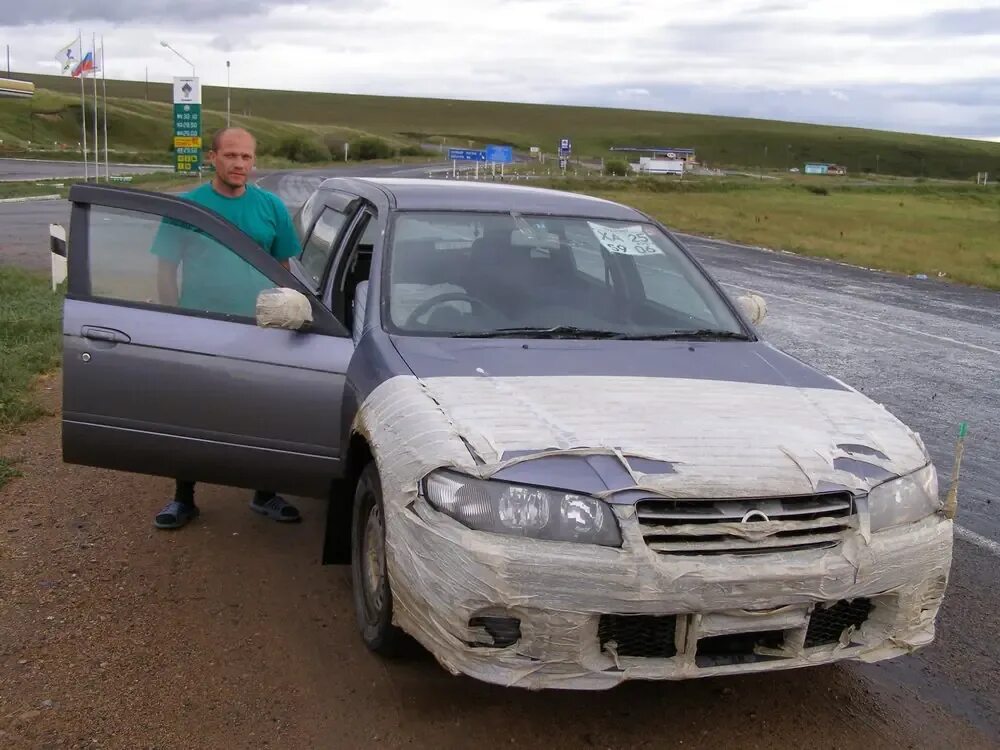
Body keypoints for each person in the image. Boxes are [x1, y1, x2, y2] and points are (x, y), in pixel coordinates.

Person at [151, 126, 302, 529]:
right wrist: (173, 325)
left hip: (259, 328)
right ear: (213, 157)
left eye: (247, 157)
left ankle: (265, 493)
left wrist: (286, 320)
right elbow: (166, 269)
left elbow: (283, 272)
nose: (240, 164)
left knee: (263, 411)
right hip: (201, 327)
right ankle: (183, 498)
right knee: (193, 414)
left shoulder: (270, 207)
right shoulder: (190, 206)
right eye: (231, 155)